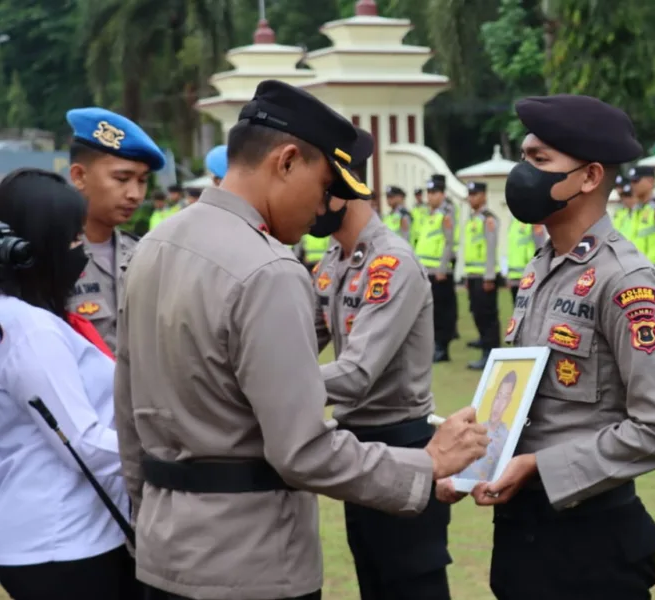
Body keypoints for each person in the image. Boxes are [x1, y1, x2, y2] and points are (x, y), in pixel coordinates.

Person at [113, 80, 488, 600]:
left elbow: (127, 414)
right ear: (287, 161)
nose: (321, 206)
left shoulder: (152, 246)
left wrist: (146, 516)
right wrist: (429, 463)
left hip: (165, 547)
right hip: (252, 557)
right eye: (324, 182)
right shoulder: (269, 269)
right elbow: (303, 452)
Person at [436, 94, 655, 600]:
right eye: (523, 156)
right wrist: (472, 461)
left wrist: (539, 467)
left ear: (590, 177)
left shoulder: (625, 281)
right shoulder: (540, 267)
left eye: (539, 160)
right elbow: (529, 400)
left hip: (591, 544)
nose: (520, 172)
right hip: (521, 531)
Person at [309, 129, 453, 600]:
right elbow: (299, 344)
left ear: (341, 188)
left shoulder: (390, 263)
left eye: (315, 186)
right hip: (359, 451)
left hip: (403, 446)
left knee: (411, 587)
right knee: (374, 582)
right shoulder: (333, 259)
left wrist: (268, 387)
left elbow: (355, 375)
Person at [0, 169, 140, 600]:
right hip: (64, 542)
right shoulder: (33, 332)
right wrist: (168, 450)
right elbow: (83, 442)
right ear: (31, 248)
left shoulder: (17, 316)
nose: (82, 251)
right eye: (74, 239)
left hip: (50, 535)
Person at [65, 107, 165, 356]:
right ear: (79, 176)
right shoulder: (51, 257)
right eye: (122, 179)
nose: (135, 194)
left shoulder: (143, 255)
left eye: (142, 181)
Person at [415, 174, 457, 362]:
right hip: (426, 271)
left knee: (442, 310)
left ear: (442, 194)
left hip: (439, 273)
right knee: (430, 310)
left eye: (434, 193)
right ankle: (434, 345)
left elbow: (449, 243)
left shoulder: (445, 215)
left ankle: (442, 347)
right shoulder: (428, 215)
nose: (430, 196)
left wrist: (442, 268)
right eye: (429, 192)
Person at [463, 181, 501, 370]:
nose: (472, 198)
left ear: (484, 196)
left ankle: (491, 352)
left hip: (484, 276)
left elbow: (491, 248)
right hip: (473, 274)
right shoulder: (473, 218)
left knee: (487, 315)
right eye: (470, 194)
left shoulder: (488, 219)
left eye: (475, 194)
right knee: (477, 313)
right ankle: (485, 347)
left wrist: (489, 276)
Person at [454, 371, 517, 482]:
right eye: (498, 397)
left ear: (509, 402)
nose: (498, 405)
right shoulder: (474, 428)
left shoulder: (508, 438)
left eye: (505, 399)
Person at [628, 165, 655, 281]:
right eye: (631, 181)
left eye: (636, 181)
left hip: (654, 274)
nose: (632, 185)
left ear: (650, 181)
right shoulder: (637, 210)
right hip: (635, 271)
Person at [505, 217, 545, 306]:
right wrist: (509, 276)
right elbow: (512, 250)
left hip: (530, 276)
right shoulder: (513, 222)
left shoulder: (535, 221)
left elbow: (541, 249)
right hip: (514, 276)